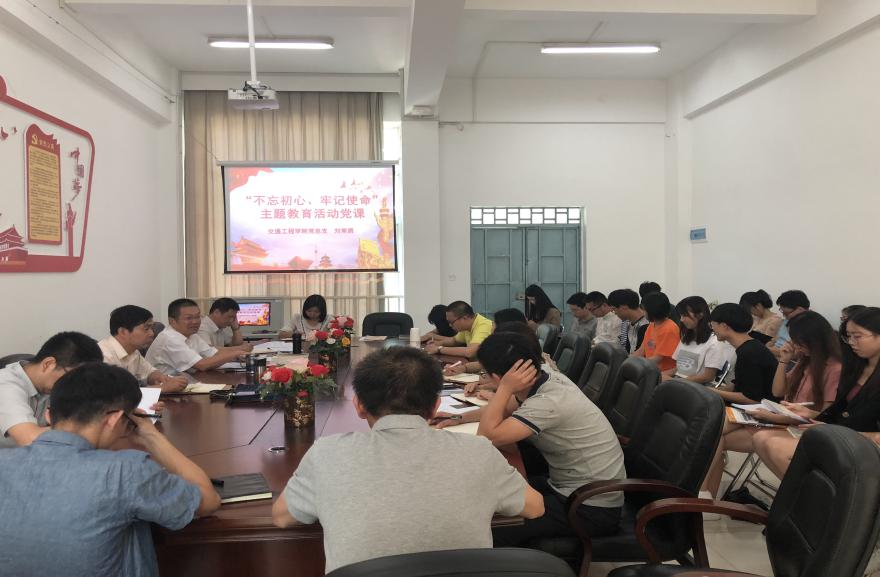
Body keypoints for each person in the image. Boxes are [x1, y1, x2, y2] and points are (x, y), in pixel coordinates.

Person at [271, 346, 544, 572]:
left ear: (359, 406)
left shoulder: (327, 454)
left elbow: (282, 517)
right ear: (435, 407)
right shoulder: (479, 452)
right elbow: (535, 507)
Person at [0, 363, 220, 577]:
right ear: (114, 419)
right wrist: (151, 435)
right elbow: (208, 501)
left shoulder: (4, 461)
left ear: (48, 416)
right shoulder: (125, 471)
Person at [440, 332, 624, 546]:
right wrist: (459, 417)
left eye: (485, 374)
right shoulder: (543, 376)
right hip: (569, 485)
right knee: (487, 492)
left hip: (590, 506)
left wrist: (504, 388)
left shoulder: (548, 401)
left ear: (499, 377)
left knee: (491, 524)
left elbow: (488, 437)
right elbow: (507, 409)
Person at [701, 310, 841, 499]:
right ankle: (705, 497)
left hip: (794, 427)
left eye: (798, 341)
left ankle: (703, 497)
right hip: (779, 418)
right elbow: (777, 391)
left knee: (715, 435)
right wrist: (784, 361)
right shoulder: (805, 362)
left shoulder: (833, 368)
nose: (796, 346)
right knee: (714, 434)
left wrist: (775, 417)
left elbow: (823, 415)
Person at [753, 307, 880, 479]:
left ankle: (816, 495)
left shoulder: (837, 368)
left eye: (857, 336)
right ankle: (806, 494)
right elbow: (842, 416)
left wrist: (831, 430)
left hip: (862, 447)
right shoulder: (856, 368)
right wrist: (810, 413)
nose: (851, 342)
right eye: (848, 336)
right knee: (761, 439)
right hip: (840, 435)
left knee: (776, 447)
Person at [0, 331, 102, 448]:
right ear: (48, 364)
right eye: (73, 378)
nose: (74, 385)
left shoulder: (50, 387)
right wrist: (89, 429)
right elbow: (29, 439)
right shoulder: (5, 383)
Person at [99, 305, 188, 393]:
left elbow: (149, 372)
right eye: (146, 328)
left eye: (151, 328)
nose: (152, 333)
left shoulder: (133, 352)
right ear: (123, 331)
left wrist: (160, 378)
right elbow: (114, 394)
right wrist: (163, 388)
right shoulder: (103, 355)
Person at [145, 299, 244, 374]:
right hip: (165, 389)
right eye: (189, 318)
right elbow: (202, 365)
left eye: (197, 317)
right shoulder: (170, 338)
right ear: (172, 321)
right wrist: (235, 354)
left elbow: (212, 353)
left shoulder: (191, 335)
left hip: (185, 382)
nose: (195, 321)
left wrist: (242, 354)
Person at [707, 303, 778, 405]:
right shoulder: (750, 346)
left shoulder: (749, 352)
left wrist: (712, 391)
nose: (712, 329)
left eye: (712, 325)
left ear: (724, 326)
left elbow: (752, 399)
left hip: (761, 409)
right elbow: (739, 384)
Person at [666, 296, 735, 384]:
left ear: (700, 315)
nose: (681, 320)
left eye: (684, 315)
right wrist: (659, 375)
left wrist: (674, 382)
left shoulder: (714, 342)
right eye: (680, 315)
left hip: (697, 387)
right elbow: (678, 368)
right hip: (680, 382)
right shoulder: (686, 337)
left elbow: (708, 377)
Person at [424, 301, 494, 359]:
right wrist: (438, 343)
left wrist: (439, 349)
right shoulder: (467, 327)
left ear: (465, 318)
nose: (450, 325)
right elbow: (454, 340)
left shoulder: (483, 326)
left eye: (451, 322)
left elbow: (470, 352)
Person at [632, 292, 680, 372]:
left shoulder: (669, 328)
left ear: (652, 310)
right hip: (650, 368)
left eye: (644, 310)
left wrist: (637, 364)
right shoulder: (651, 325)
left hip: (663, 373)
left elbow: (658, 358)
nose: (643, 313)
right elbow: (641, 350)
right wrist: (627, 360)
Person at [769, 290, 811, 355]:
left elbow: (796, 355)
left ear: (800, 309)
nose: (784, 315)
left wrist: (766, 349)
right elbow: (777, 340)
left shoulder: (810, 325)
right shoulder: (789, 319)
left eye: (786, 313)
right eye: (782, 311)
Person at [608, 288, 648, 353]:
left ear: (624, 306)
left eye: (614, 309)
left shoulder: (648, 324)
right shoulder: (626, 324)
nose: (614, 313)